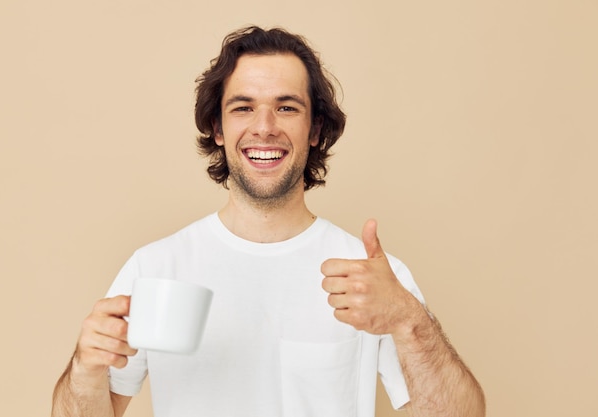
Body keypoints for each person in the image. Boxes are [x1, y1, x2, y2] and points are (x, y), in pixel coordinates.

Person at [52, 26, 485, 417]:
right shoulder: (155, 268)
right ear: (217, 128)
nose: (264, 127)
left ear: (315, 130)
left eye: (286, 108)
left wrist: (407, 319)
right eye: (243, 107)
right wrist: (85, 366)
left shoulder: (367, 274)